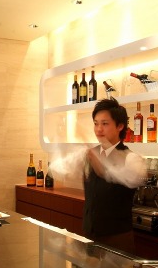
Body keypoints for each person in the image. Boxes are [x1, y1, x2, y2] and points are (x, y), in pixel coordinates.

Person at [49, 97, 146, 254]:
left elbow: (126, 176)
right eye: (96, 123)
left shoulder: (131, 158)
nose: (98, 129)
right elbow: (57, 169)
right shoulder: (88, 154)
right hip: (90, 235)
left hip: (118, 240)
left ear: (120, 126)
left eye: (105, 124)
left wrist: (101, 163)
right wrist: (59, 141)